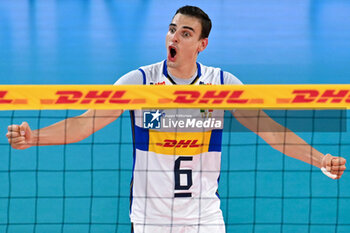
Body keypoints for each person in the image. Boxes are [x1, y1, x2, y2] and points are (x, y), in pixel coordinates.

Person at [6, 5, 346, 233]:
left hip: (205, 217)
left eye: (185, 33)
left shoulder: (222, 84)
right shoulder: (138, 82)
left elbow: (271, 131)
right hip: (150, 219)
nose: (174, 37)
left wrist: (322, 160)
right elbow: (85, 122)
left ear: (201, 44)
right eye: (171, 30)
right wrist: (35, 137)